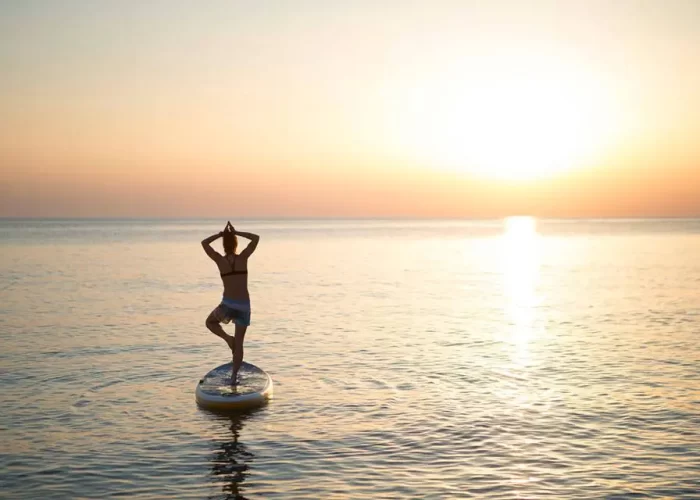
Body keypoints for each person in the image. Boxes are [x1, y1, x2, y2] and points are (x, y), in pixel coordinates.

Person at [202, 221, 260, 384]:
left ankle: (228, 339)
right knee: (240, 344)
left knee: (210, 323)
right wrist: (236, 233)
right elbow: (256, 238)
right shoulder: (243, 258)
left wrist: (221, 235)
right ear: (235, 243)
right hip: (243, 306)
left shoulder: (219, 260)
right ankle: (234, 378)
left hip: (227, 305)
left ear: (224, 245)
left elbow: (204, 243)